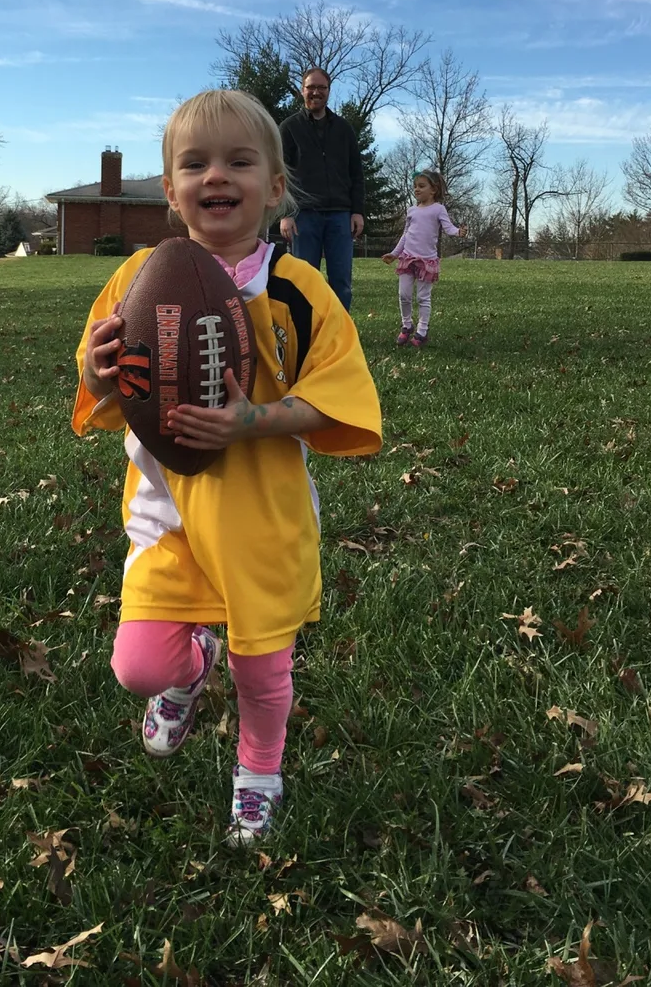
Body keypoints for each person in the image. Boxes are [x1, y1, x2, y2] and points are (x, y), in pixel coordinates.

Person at [74, 89, 381, 847]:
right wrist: (96, 370)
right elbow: (96, 375)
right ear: (170, 190)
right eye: (195, 164)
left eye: (239, 162)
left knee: (262, 670)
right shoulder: (137, 278)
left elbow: (339, 394)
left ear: (274, 188)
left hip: (260, 517)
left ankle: (259, 772)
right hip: (168, 513)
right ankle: (190, 665)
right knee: (139, 666)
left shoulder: (299, 289)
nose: (216, 175)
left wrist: (254, 422)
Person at [279, 68, 364, 311]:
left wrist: (357, 211)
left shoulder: (344, 129)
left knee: (342, 283)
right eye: (311, 87)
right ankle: (305, 329)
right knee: (304, 281)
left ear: (328, 91)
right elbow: (280, 175)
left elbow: (356, 173)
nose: (316, 92)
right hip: (303, 216)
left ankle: (339, 329)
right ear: (302, 90)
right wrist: (285, 214)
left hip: (340, 216)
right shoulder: (289, 128)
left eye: (321, 88)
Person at [382, 169, 467, 348]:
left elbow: (448, 227)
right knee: (404, 294)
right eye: (415, 186)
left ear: (433, 189)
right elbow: (406, 235)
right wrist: (395, 254)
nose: (417, 189)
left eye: (421, 186)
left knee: (423, 297)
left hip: (426, 261)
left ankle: (422, 330)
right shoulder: (411, 211)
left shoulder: (438, 209)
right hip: (407, 258)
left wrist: (458, 232)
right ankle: (406, 325)